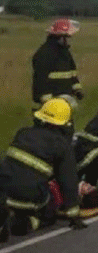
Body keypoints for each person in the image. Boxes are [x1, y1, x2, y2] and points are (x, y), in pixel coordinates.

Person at [0, 99, 87, 236]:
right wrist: (74, 215)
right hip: (27, 198)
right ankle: (23, 223)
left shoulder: (22, 133)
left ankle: (6, 217)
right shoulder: (62, 146)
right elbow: (68, 181)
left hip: (3, 193)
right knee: (50, 210)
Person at [32, 18, 84, 106]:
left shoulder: (65, 52)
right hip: (51, 100)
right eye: (66, 38)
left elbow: (72, 73)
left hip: (65, 97)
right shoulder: (44, 53)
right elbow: (40, 78)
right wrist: (47, 99)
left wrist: (77, 90)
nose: (68, 41)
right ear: (60, 37)